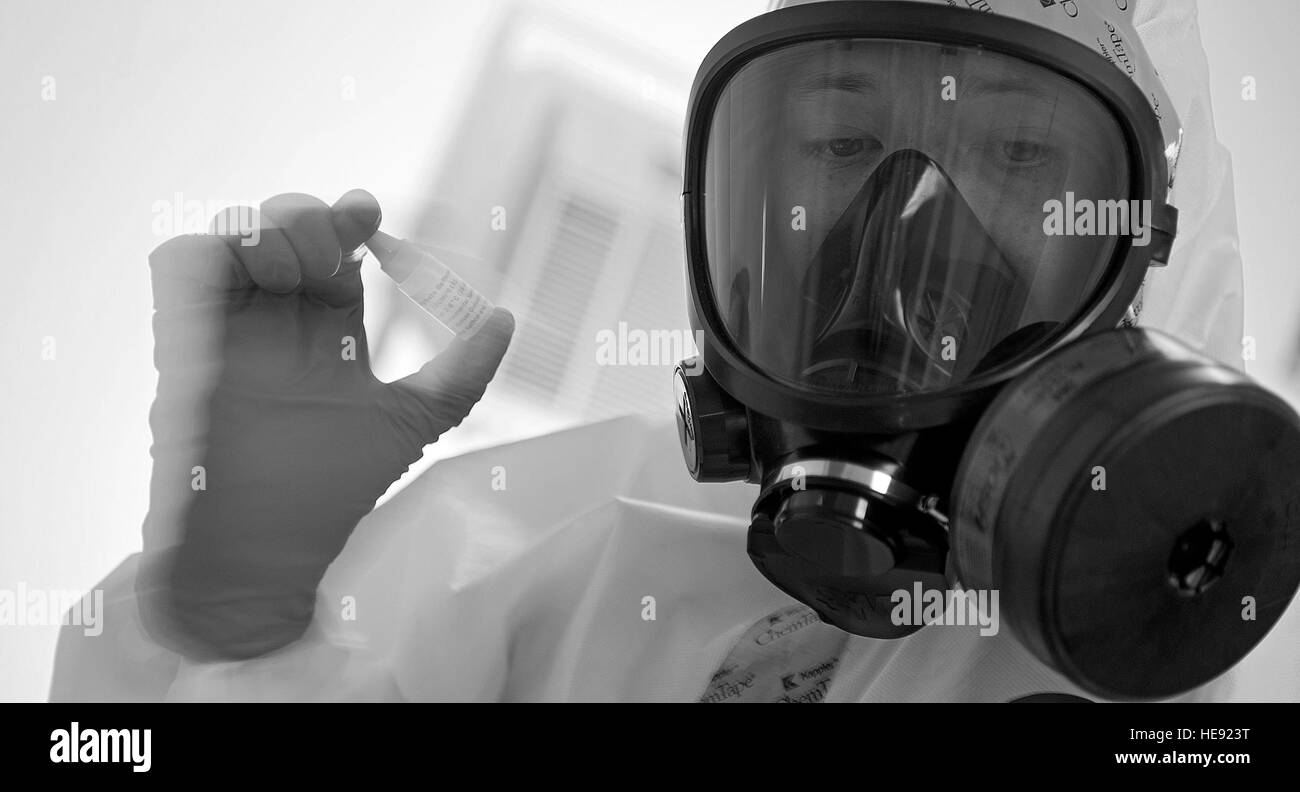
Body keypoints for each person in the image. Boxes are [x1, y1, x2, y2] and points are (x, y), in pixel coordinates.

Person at [51, 0, 1280, 702]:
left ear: (1147, 265)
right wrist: (230, 618)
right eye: (844, 144)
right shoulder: (541, 543)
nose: (899, 233)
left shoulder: (1205, 681)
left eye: (1016, 157)